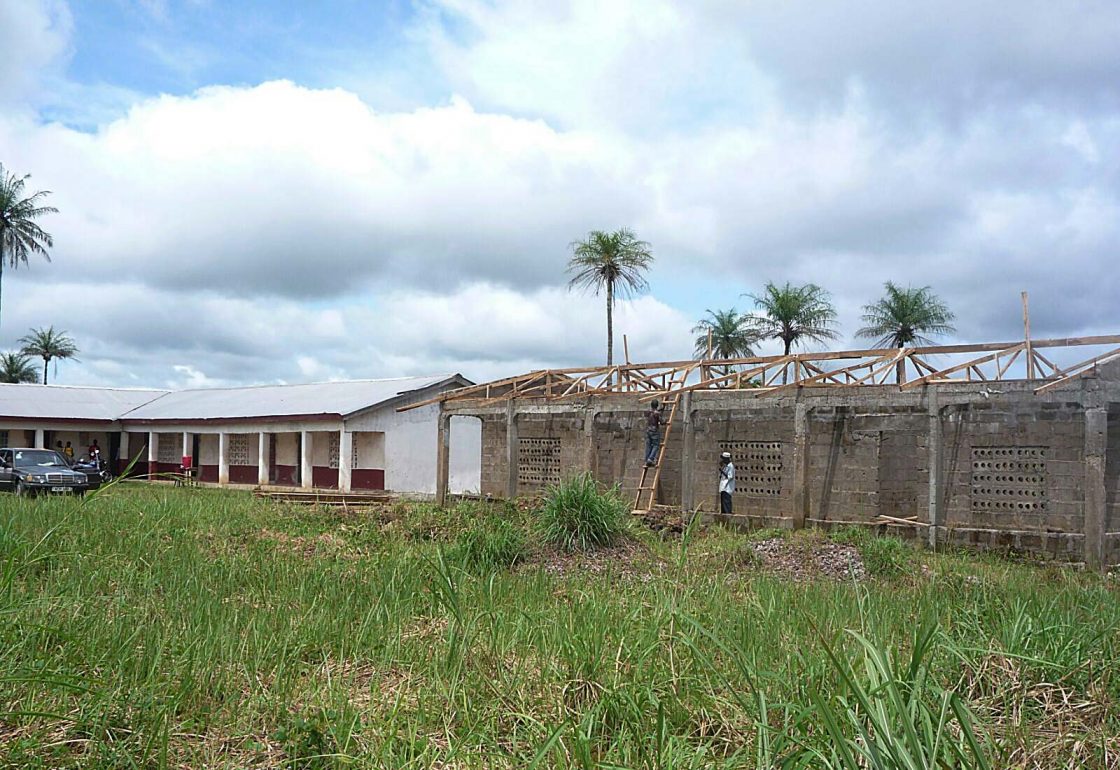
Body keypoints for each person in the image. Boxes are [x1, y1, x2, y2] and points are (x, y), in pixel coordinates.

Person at [644, 400, 663, 467]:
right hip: (654, 431)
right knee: (656, 445)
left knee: (648, 446)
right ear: (657, 405)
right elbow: (662, 422)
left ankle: (646, 460)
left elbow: (651, 413)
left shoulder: (648, 412)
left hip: (648, 430)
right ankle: (650, 459)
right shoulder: (656, 413)